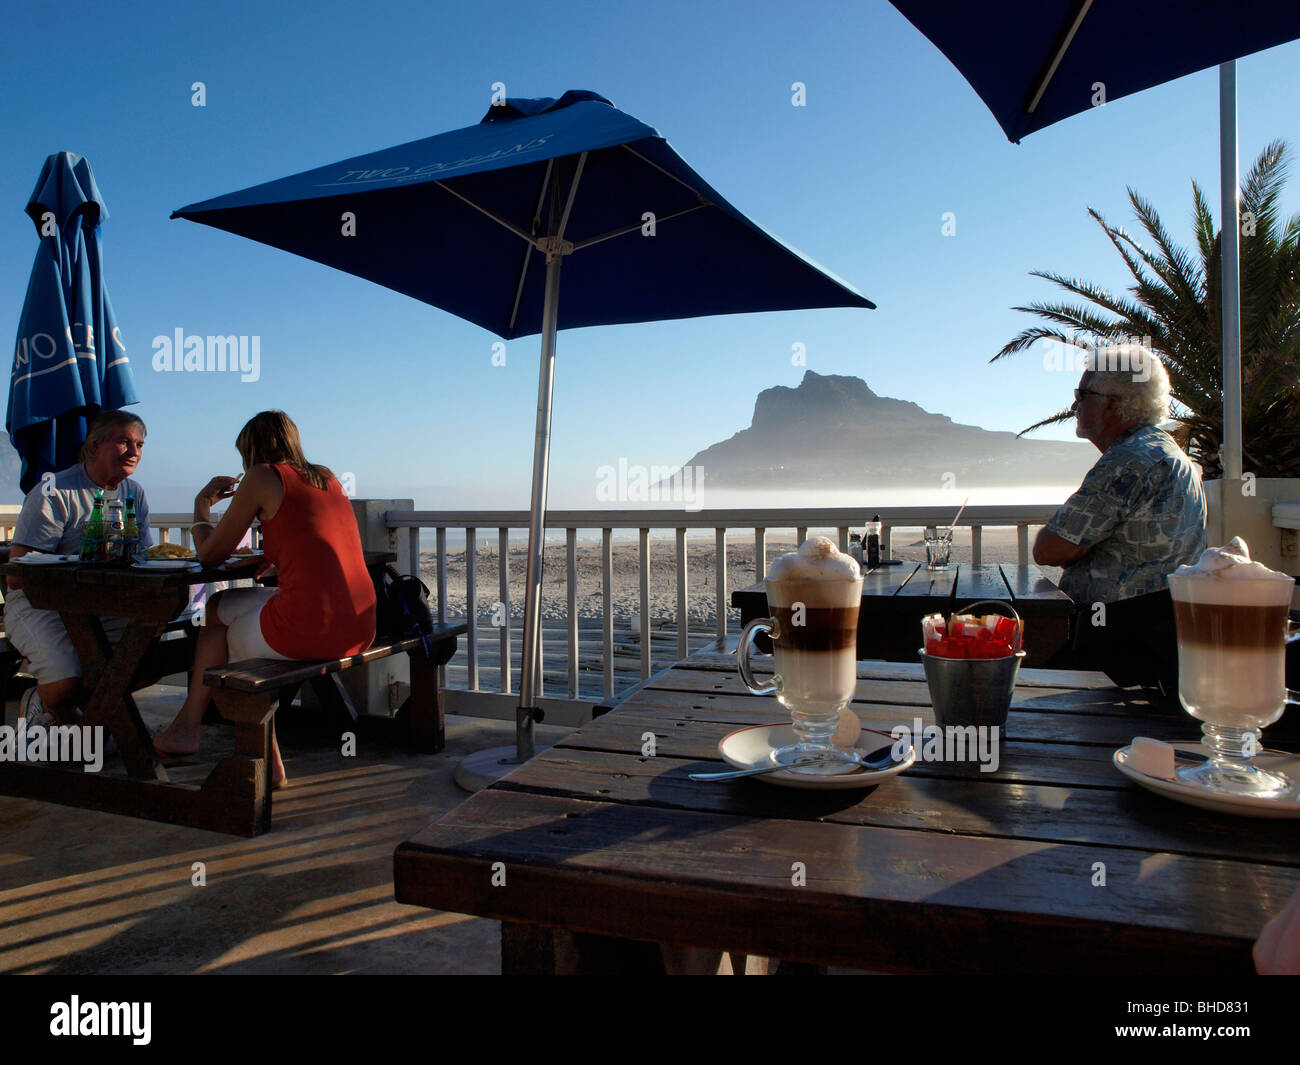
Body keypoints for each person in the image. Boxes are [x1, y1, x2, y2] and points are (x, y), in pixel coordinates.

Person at [153, 411, 375, 787]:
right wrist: (273, 557)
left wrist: (202, 506)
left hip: (311, 628)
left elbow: (208, 555)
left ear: (253, 450)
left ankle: (258, 759)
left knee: (227, 635)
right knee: (216, 608)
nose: (244, 464)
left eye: (244, 454)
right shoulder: (327, 477)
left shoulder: (260, 477)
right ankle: (187, 726)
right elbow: (311, 531)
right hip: (358, 626)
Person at [1034, 345, 1206, 693]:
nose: (1073, 406)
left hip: (1113, 644)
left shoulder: (1127, 461)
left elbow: (1049, 549)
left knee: (1005, 661)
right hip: (1155, 638)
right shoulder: (1165, 451)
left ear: (1113, 402)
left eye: (1081, 395)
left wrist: (1076, 546)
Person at [5, 410, 152, 725]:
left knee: (143, 659)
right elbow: (18, 572)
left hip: (101, 603)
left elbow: (145, 555)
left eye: (139, 444)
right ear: (96, 446)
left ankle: (87, 726)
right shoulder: (55, 490)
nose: (134, 452)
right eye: (124, 442)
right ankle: (52, 707)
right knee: (65, 681)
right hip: (39, 603)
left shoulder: (134, 493)